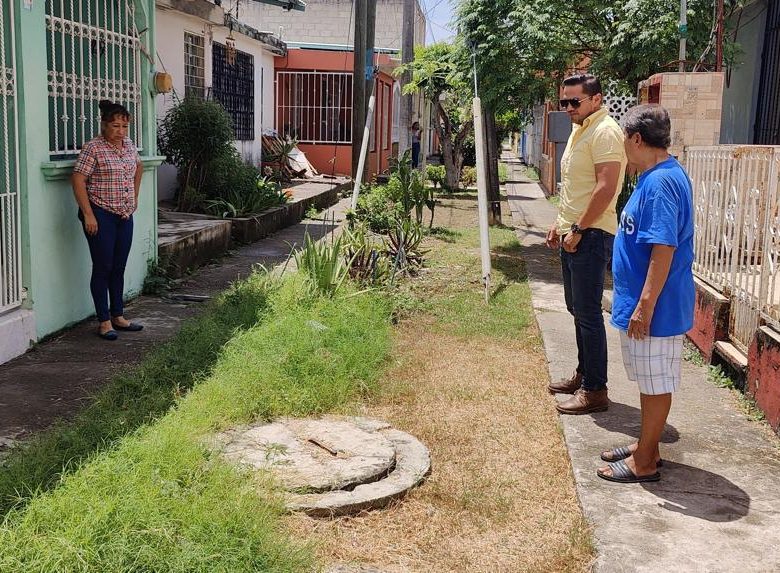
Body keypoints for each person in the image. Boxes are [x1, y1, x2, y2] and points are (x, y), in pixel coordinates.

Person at [597, 105, 694, 483]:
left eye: (624, 139)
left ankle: (646, 462)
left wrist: (644, 306)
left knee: (655, 384)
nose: (623, 146)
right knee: (648, 381)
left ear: (637, 139)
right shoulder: (655, 176)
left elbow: (663, 248)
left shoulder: (659, 183)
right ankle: (645, 446)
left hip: (656, 310)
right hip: (646, 306)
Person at [546, 74, 627, 414]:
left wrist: (578, 228)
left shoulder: (605, 131)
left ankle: (596, 390)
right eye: (564, 102)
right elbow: (576, 188)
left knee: (589, 313)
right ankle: (585, 373)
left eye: (574, 102)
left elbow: (606, 188)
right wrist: (559, 223)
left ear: (596, 99)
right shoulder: (582, 128)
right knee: (576, 309)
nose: (567, 108)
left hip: (591, 234)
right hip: (574, 231)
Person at [72, 100, 144, 341]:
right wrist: (89, 214)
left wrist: (134, 197)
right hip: (100, 214)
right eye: (115, 125)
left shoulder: (129, 146)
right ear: (104, 124)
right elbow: (78, 179)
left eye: (124, 126)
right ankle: (104, 321)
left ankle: (118, 316)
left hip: (124, 215)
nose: (120, 131)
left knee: (119, 267)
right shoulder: (93, 148)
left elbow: (139, 167)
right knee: (103, 267)